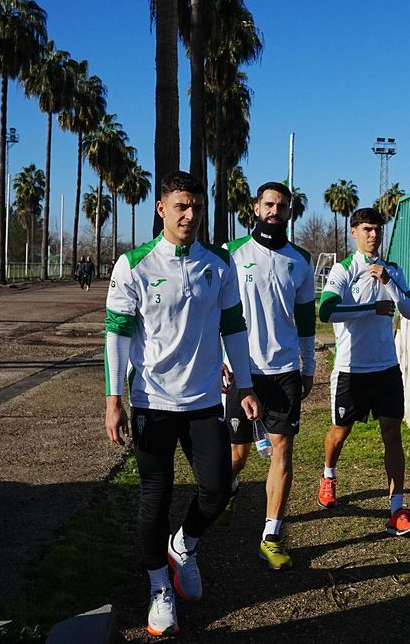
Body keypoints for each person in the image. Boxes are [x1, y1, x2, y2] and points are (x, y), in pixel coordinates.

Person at [104, 171, 261, 637]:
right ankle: (159, 587)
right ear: (161, 209)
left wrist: (245, 386)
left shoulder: (219, 263)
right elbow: (116, 335)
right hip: (152, 400)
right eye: (180, 206)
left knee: (218, 487)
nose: (189, 215)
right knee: (155, 495)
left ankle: (184, 546)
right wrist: (114, 400)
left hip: (203, 400)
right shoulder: (133, 265)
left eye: (195, 207)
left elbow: (234, 326)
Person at [223, 182, 316, 571]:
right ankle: (227, 490)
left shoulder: (301, 260)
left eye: (282, 206)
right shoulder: (231, 253)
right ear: (256, 208)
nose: (275, 211)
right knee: (237, 457)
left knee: (282, 451)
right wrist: (220, 360)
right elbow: (216, 313)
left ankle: (271, 537)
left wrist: (308, 367)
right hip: (241, 370)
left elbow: (307, 320)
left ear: (290, 212)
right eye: (269, 204)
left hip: (284, 372)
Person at [316, 207, 410, 535]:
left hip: (386, 367)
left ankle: (396, 508)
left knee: (392, 432)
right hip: (351, 369)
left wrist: (388, 282)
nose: (373, 235)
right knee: (340, 431)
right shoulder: (343, 269)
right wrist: (369, 308)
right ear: (354, 232)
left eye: (377, 230)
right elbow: (326, 311)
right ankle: (329, 475)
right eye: (367, 229)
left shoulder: (393, 270)